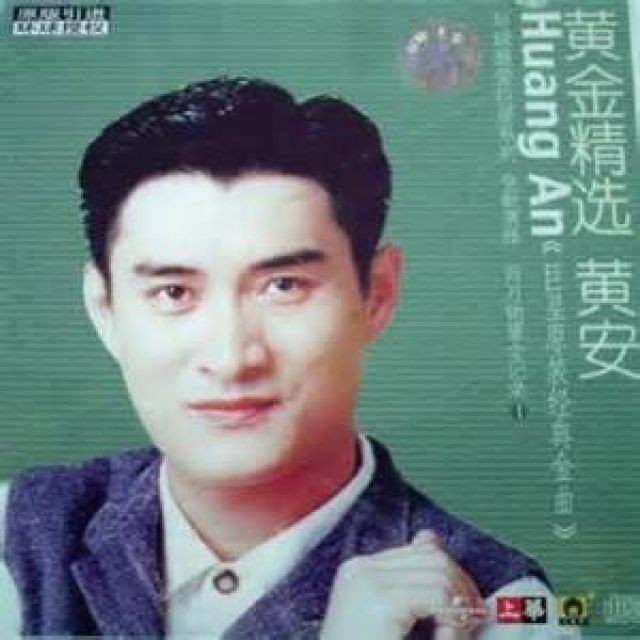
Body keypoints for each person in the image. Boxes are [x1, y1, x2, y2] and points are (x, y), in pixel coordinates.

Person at [0, 77, 563, 639]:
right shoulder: (17, 536)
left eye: (284, 286)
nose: (231, 359)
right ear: (105, 309)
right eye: (174, 293)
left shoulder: (504, 609)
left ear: (377, 294)